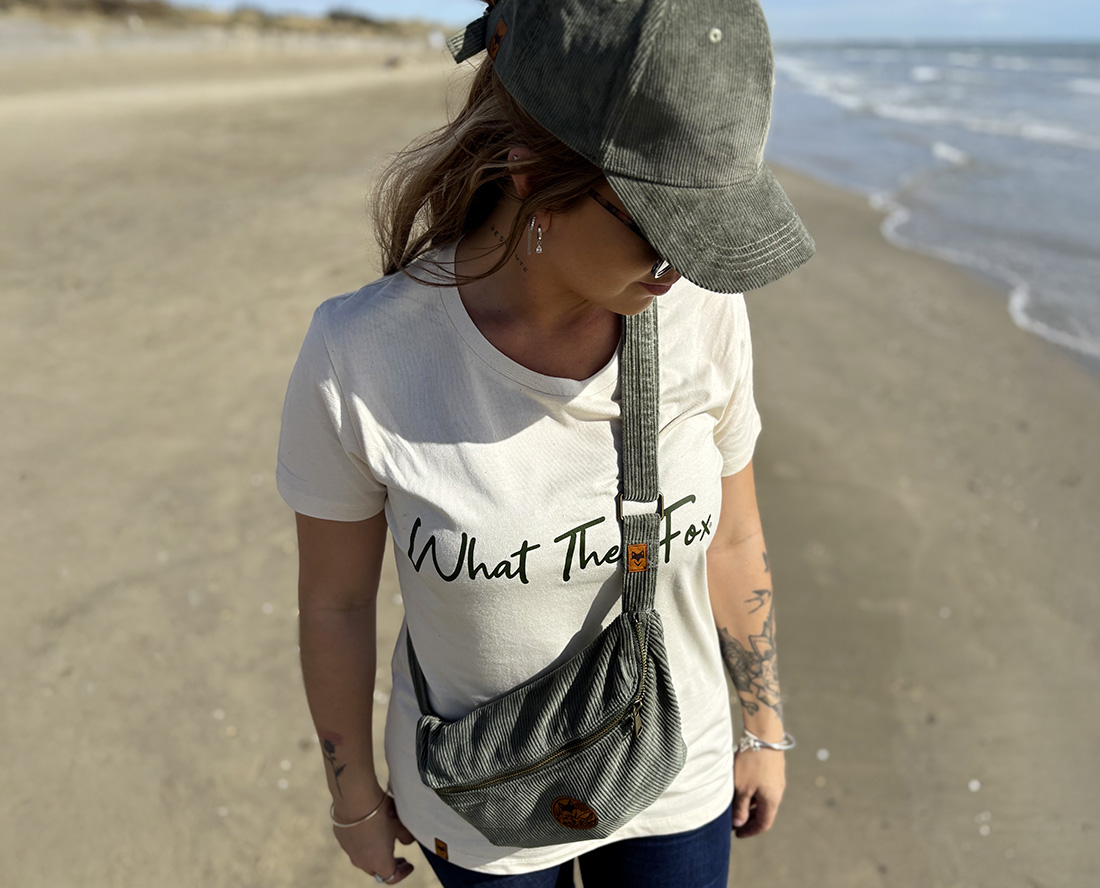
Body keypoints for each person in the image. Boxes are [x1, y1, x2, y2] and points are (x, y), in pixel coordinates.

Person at [276, 1, 814, 885]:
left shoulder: (704, 311)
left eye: (705, 228)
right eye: (660, 225)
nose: (684, 263)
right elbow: (334, 604)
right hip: (477, 800)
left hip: (680, 778)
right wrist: (354, 799)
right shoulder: (362, 355)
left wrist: (762, 727)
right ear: (531, 172)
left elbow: (735, 537)